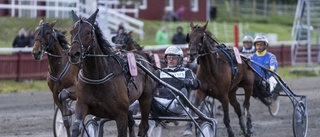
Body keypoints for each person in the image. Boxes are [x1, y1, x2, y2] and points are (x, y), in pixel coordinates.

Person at [148, 46, 201, 136]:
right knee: (146, 97)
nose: (171, 60)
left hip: (178, 106)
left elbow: (197, 84)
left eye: (174, 58)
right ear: (166, 59)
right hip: (160, 104)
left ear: (179, 59)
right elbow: (150, 87)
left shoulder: (186, 72)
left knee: (181, 95)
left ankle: (180, 100)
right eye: (169, 57)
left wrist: (188, 81)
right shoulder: (160, 72)